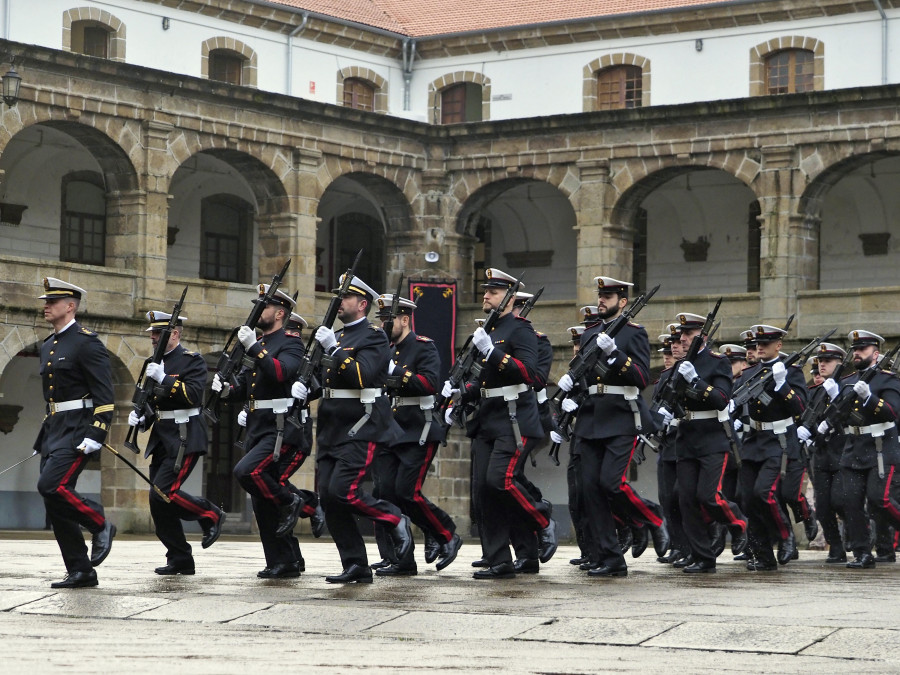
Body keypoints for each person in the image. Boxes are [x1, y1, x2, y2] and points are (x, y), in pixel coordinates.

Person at [292, 274, 412, 584]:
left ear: (362, 304)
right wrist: (306, 388)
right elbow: (326, 380)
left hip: (360, 425)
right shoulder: (338, 336)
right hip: (332, 426)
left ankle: (394, 518)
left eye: (345, 298)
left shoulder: (374, 336)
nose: (338, 302)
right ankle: (356, 563)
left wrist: (333, 349)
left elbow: (362, 375)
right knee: (330, 498)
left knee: (344, 491)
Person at [443, 268, 553, 580]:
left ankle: (543, 518)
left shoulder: (520, 330)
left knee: (499, 481)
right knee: (483, 492)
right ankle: (499, 559)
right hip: (488, 417)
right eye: (485, 290)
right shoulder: (488, 331)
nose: (486, 295)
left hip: (513, 417)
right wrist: (461, 394)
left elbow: (534, 375)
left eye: (493, 291)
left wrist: (493, 353)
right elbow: (485, 381)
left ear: (510, 297)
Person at [556, 276, 667, 578]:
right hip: (591, 417)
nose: (601, 300)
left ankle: (653, 517)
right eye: (600, 295)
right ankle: (611, 558)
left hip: (620, 417)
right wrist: (571, 383)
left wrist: (616, 355)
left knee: (610, 483)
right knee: (591, 491)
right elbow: (585, 373)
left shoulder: (634, 333)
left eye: (608, 296)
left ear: (622, 301)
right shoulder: (590, 332)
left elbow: (642, 377)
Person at [211, 283, 306, 578]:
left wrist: (254, 347)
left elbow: (280, 373)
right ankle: (283, 560)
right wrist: (226, 389)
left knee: (247, 472)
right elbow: (245, 385)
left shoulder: (291, 343)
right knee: (262, 500)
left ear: (279, 313)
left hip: (278, 428)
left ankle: (293, 500)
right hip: (256, 426)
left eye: (263, 306)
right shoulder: (258, 343)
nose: (257, 311)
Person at [369, 293, 462, 576]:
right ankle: (400, 559)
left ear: (405, 320)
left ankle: (446, 533)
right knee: (383, 494)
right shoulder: (381, 349)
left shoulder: (424, 347)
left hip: (417, 429)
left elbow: (430, 383)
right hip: (390, 429)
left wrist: (396, 371)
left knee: (407, 492)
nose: (384, 325)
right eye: (382, 319)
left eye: (389, 320)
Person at [128, 310, 225, 575]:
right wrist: (139, 415)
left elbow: (193, 395)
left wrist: (164, 378)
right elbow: (150, 401)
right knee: (157, 501)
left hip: (185, 436)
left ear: (175, 334)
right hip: (161, 438)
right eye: (152, 334)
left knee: (165, 493)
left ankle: (210, 513)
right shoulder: (151, 362)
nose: (154, 339)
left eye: (159, 334)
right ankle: (179, 557)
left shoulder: (191, 361)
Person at [35, 277, 115, 588]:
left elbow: (105, 396)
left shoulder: (86, 342)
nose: (46, 306)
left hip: (78, 429)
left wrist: (97, 433)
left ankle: (99, 522)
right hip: (54, 430)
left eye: (52, 302)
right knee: (53, 501)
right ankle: (81, 569)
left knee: (52, 486)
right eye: (46, 301)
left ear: (70, 306)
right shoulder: (48, 345)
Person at [665, 313, 748, 573]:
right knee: (687, 499)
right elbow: (673, 398)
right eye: (682, 335)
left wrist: (696, 382)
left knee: (708, 495)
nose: (684, 339)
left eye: (689, 335)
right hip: (687, 436)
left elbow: (722, 399)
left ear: (703, 336)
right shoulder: (680, 365)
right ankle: (702, 556)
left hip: (713, 436)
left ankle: (740, 524)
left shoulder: (718, 362)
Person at [824, 331, 900, 568]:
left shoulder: (888, 380)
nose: (856, 353)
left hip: (880, 447)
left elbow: (893, 412)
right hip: (854, 447)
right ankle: (863, 553)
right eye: (855, 349)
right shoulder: (846, 382)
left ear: (876, 354)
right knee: (851, 502)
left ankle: (886, 546)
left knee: (881, 499)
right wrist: (835, 400)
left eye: (863, 349)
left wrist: (869, 399)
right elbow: (837, 419)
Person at [734, 323, 807, 571]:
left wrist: (781, 384)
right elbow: (735, 399)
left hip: (779, 441)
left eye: (765, 344)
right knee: (748, 499)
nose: (760, 348)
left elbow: (799, 408)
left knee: (764, 493)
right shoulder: (747, 373)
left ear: (779, 345)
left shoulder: (792, 373)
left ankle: (786, 538)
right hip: (753, 440)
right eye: (757, 344)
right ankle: (763, 555)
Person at [509, 291, 556, 573]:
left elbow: (537, 378)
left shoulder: (538, 340)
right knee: (501, 484)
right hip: (498, 417)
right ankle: (523, 552)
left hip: (528, 417)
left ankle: (541, 510)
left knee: (508, 477)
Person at [795, 343, 848, 563]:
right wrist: (805, 429)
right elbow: (809, 416)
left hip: (844, 452)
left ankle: (858, 537)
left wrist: (838, 399)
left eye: (827, 361)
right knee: (823, 505)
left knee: (841, 501)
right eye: (820, 361)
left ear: (839, 364)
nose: (822, 365)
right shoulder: (816, 392)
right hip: (821, 453)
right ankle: (836, 546)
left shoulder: (847, 387)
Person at [653, 326, 690, 566]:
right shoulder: (665, 377)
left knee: (682, 498)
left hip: (686, 441)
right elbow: (656, 405)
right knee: (667, 498)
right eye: (671, 344)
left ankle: (691, 547)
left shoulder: (691, 372)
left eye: (677, 342)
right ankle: (677, 546)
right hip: (667, 445)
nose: (674, 347)